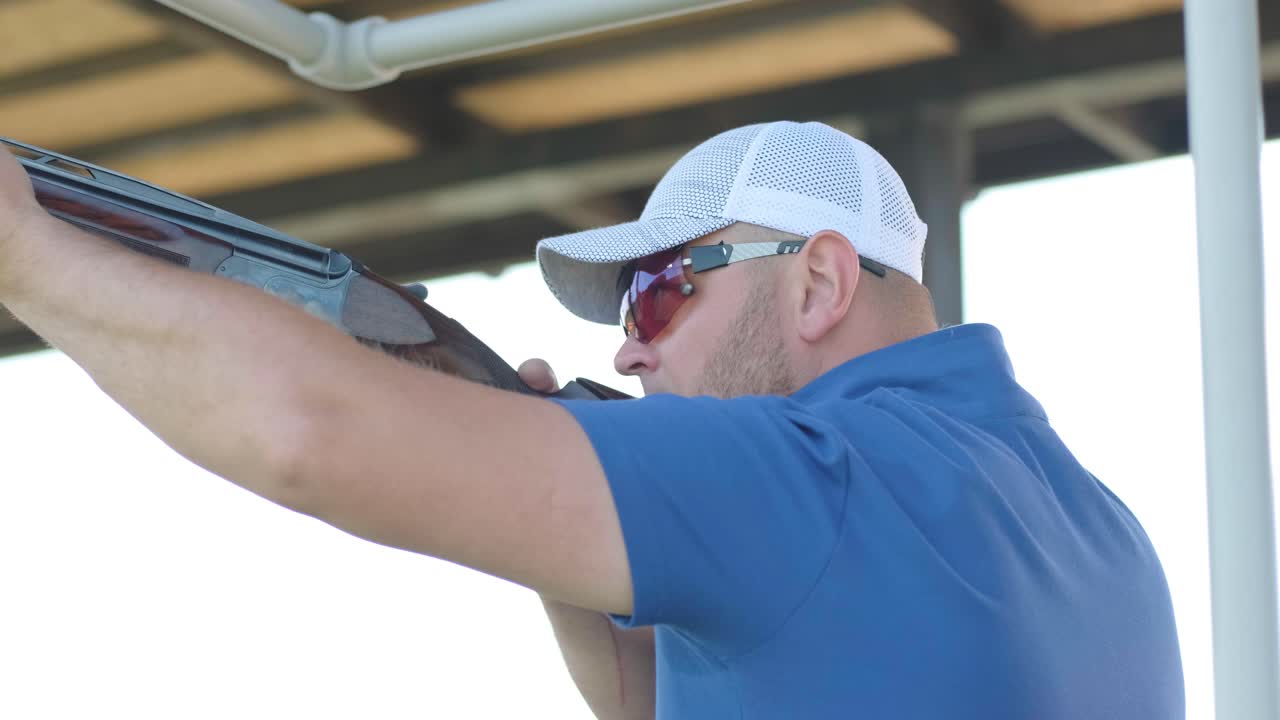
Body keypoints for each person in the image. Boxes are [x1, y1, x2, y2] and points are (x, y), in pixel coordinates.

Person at [0, 121, 1183, 718]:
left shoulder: (806, 473)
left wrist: (26, 255)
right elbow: (669, 694)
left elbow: (308, 431)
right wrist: (543, 501)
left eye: (661, 290)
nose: (627, 347)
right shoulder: (1092, 528)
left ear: (818, 282)